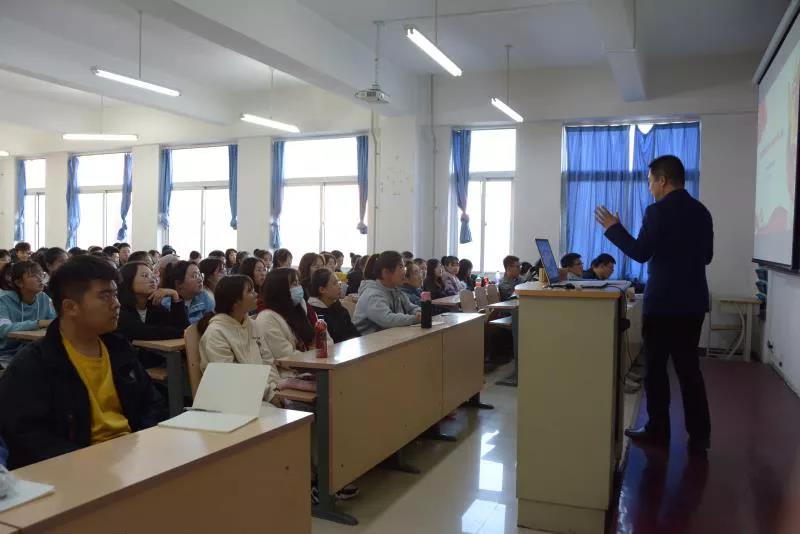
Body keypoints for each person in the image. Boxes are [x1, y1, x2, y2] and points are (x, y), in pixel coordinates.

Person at [0, 256, 167, 469]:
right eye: (105, 296)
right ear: (70, 307)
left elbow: (152, 404)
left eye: (115, 294)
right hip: (75, 469)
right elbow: (27, 436)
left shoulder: (118, 349)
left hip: (132, 457)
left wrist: (140, 445)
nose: (116, 303)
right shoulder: (34, 365)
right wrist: (87, 462)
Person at [595, 154, 713, 453]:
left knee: (656, 370)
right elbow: (707, 257)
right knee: (689, 371)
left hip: (663, 305)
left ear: (662, 180)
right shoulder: (702, 212)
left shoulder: (657, 212)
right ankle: (700, 436)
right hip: (693, 302)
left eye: (650, 181)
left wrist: (613, 228)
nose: (649, 188)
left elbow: (640, 253)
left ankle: (658, 431)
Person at [197, 275, 283, 405]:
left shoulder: (251, 324)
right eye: (249, 291)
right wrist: (270, 395)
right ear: (235, 301)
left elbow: (267, 360)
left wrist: (276, 388)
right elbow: (232, 377)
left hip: (261, 394)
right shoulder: (216, 333)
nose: (255, 294)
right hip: (232, 400)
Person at [255, 268, 332, 364]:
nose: (299, 288)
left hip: (315, 363)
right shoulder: (267, 319)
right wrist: (315, 353)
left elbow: (327, 341)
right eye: (294, 284)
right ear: (280, 289)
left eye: (299, 283)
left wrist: (318, 351)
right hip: (292, 370)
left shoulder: (301, 307)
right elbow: (287, 356)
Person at [0, 261, 56, 368]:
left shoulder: (43, 298)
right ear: (19, 283)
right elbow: (3, 328)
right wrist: (39, 323)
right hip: (5, 354)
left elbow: (55, 321)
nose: (40, 279)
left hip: (31, 352)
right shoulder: (3, 300)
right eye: (34, 275)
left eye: (41, 274)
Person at [116, 261, 189, 343]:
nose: (152, 279)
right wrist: (179, 332)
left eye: (152, 275)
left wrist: (175, 295)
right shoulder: (119, 310)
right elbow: (145, 332)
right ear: (128, 280)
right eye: (145, 275)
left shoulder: (155, 307)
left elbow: (184, 329)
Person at [353, 251, 421, 335]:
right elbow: (387, 319)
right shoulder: (372, 294)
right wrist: (414, 319)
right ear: (386, 272)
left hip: (389, 337)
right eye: (401, 267)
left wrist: (419, 312)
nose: (404, 272)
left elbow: (410, 307)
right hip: (367, 340)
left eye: (404, 267)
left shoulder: (396, 290)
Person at [307, 268, 360, 343]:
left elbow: (354, 333)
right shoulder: (313, 313)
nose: (339, 287)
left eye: (338, 282)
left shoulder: (338, 307)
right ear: (322, 290)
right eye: (335, 283)